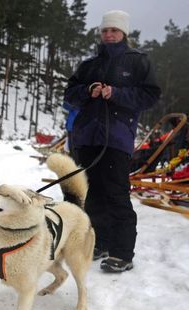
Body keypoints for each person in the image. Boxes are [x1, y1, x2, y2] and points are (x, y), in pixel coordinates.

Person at [64, 10, 161, 272]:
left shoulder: (138, 62)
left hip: (117, 137)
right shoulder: (89, 65)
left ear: (123, 33)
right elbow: (70, 94)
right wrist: (87, 90)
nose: (109, 34)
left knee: (116, 194)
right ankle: (100, 242)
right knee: (93, 193)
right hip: (87, 137)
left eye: (114, 30)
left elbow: (150, 95)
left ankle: (122, 252)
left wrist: (115, 93)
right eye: (105, 30)